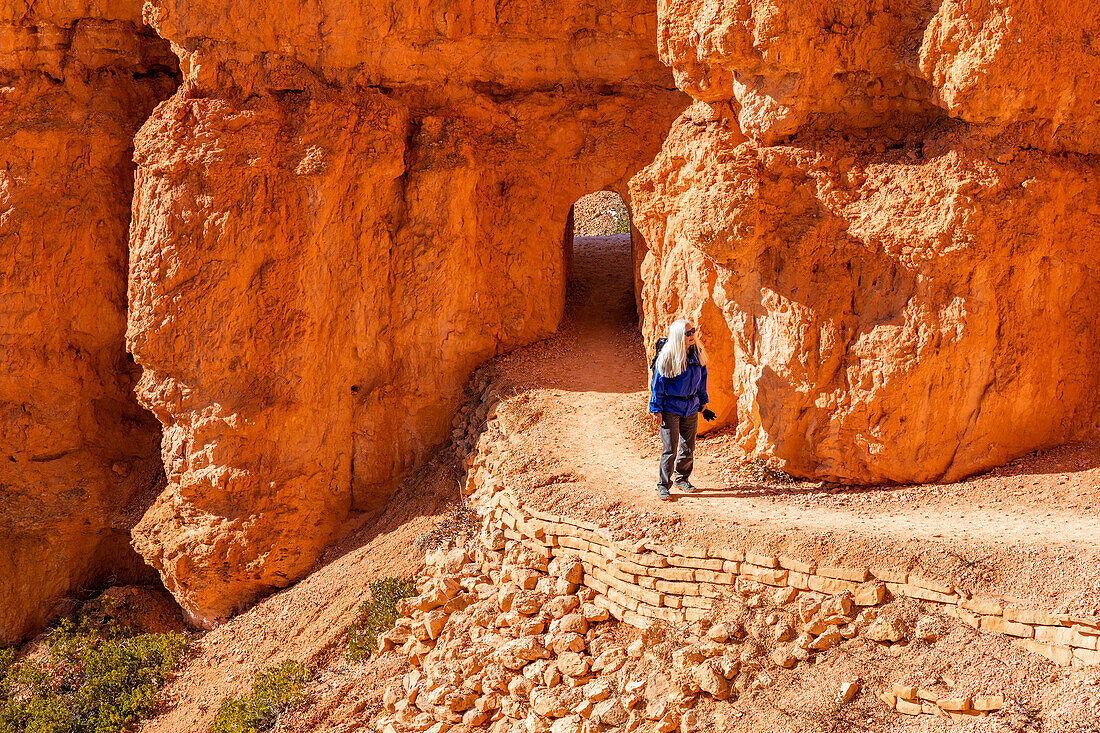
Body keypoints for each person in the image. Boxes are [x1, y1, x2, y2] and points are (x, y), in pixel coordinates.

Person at [648, 319, 714, 500]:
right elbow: (657, 385)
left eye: (692, 331)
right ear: (678, 336)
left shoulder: (697, 354)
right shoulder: (668, 356)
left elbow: (702, 379)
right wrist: (655, 409)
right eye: (688, 333)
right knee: (670, 448)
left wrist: (703, 401)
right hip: (671, 408)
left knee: (688, 446)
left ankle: (681, 478)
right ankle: (663, 485)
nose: (692, 335)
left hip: (691, 406)